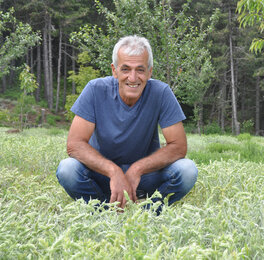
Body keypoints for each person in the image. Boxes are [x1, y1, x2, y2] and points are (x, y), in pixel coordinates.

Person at [56, 35, 198, 213]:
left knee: (187, 170)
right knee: (67, 169)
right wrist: (114, 172)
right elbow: (75, 145)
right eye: (125, 69)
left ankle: (147, 212)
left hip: (145, 178)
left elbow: (178, 147)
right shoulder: (94, 90)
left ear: (149, 72)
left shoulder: (161, 92)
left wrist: (136, 170)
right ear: (114, 71)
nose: (133, 78)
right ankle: (104, 210)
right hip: (102, 176)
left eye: (140, 69)